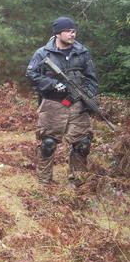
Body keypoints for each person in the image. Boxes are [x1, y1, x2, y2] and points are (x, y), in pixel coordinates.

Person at [26, 17, 98, 185]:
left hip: (78, 105)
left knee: (83, 143)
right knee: (48, 143)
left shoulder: (82, 52)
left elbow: (91, 79)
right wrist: (53, 84)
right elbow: (31, 75)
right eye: (68, 31)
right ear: (58, 33)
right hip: (53, 104)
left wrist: (90, 97)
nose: (72, 34)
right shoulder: (43, 53)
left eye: (74, 31)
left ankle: (78, 180)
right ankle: (45, 181)